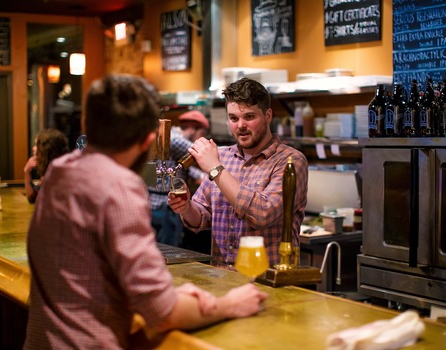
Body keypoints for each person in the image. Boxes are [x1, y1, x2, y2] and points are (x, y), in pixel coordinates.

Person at [24, 74, 268, 349]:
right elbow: (162, 313)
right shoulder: (119, 186)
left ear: (86, 125)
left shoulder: (59, 171)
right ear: (148, 140)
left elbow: (90, 275)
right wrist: (228, 305)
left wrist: (174, 294)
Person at [169, 77, 308, 268]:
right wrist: (186, 207)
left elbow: (263, 214)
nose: (240, 125)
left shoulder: (290, 161)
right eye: (233, 118)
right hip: (222, 279)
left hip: (268, 282)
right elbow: (201, 217)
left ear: (268, 115)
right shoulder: (223, 157)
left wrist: (215, 169)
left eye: (249, 117)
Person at [149, 110, 209, 247]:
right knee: (169, 252)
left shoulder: (168, 137)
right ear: (193, 128)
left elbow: (177, 167)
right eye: (202, 133)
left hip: (152, 203)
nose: (200, 138)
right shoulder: (176, 141)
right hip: (167, 205)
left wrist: (199, 176)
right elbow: (204, 153)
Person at [23, 128, 69, 203]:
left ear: (46, 150)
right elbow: (32, 198)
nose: (33, 148)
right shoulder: (49, 171)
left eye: (36, 145)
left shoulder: (57, 175)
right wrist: (27, 172)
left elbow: (34, 199)